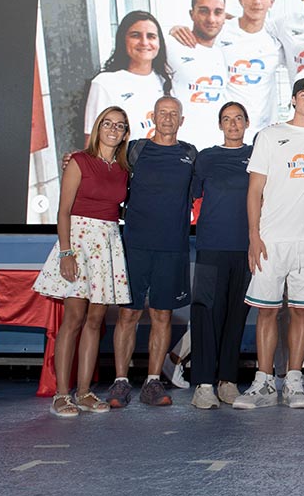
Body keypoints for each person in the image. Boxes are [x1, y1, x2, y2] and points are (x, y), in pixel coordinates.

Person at [233, 77, 304, 410]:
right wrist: (253, 235)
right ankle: (263, 382)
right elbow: (254, 191)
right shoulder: (271, 136)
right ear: (293, 100)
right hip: (271, 240)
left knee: (301, 312)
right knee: (267, 312)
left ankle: (293, 381)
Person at [34, 107, 132, 417]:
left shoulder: (124, 169)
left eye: (119, 126)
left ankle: (85, 392)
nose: (113, 129)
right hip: (78, 242)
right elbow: (63, 211)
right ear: (98, 127)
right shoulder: (78, 161)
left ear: (125, 134)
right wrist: (66, 253)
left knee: (95, 320)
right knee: (74, 317)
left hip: (107, 242)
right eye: (107, 124)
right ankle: (62, 395)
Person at [107, 96, 196, 408]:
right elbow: (102, 166)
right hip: (135, 246)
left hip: (172, 247)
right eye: (162, 113)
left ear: (181, 120)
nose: (168, 118)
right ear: (153, 117)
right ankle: (120, 382)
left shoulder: (190, 155)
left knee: (162, 314)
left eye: (174, 114)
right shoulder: (134, 151)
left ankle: (153, 382)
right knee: (128, 314)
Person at [189, 102, 254, 409]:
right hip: (211, 247)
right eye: (227, 119)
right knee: (206, 314)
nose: (233, 124)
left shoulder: (257, 155)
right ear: (219, 125)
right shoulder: (206, 157)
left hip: (246, 248)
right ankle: (203, 384)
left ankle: (227, 381)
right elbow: (190, 195)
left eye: (238, 118)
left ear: (247, 123)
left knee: (236, 315)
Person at [84, 10, 172, 143]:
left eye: (151, 36)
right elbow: (92, 144)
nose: (144, 42)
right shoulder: (105, 84)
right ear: (122, 40)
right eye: (135, 35)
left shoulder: (165, 81)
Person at [217, 0, 283, 140]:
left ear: (271, 1)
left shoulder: (276, 37)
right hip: (226, 135)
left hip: (264, 134)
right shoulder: (221, 31)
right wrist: (177, 30)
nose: (257, 1)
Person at [165, 0, 229, 151]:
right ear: (191, 13)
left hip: (214, 149)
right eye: (203, 11)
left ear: (225, 17)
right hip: (180, 149)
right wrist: (171, 30)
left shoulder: (221, 53)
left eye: (218, 12)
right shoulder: (171, 46)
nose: (211, 19)